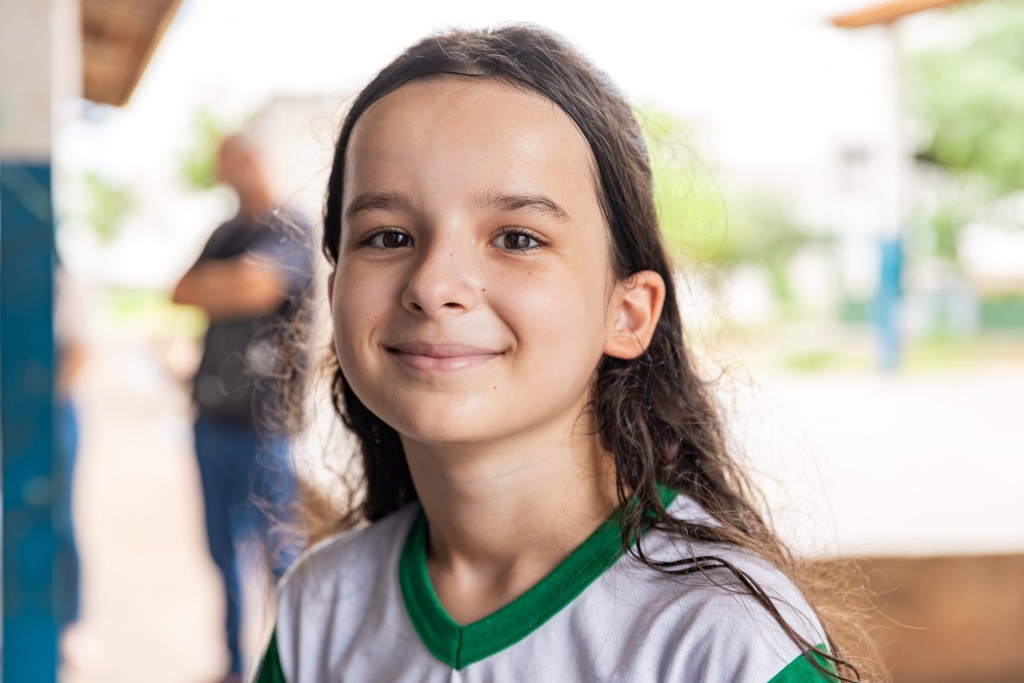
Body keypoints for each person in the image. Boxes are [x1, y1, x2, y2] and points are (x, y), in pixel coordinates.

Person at [254, 25, 862, 683]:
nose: (432, 285)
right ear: (337, 292)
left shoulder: (723, 643)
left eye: (517, 238)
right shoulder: (319, 610)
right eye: (388, 236)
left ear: (628, 313)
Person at [172, 133, 311, 683]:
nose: (224, 176)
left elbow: (261, 288)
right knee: (220, 552)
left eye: (227, 165)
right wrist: (235, 281)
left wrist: (228, 285)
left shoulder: (291, 227)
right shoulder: (226, 233)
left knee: (280, 556)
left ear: (251, 161)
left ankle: (295, 664)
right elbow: (181, 292)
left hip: (265, 425)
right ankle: (233, 666)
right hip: (210, 418)